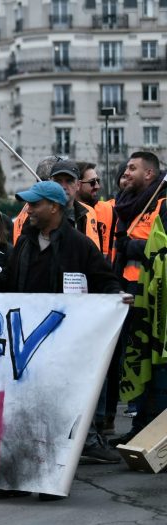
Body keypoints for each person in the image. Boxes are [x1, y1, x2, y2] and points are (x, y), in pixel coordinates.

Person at [0, 181, 131, 496]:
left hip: (61, 346)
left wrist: (116, 298)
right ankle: (15, 482)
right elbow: (8, 279)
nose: (27, 210)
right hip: (24, 344)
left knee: (54, 415)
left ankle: (47, 481)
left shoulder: (79, 245)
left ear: (54, 207)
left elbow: (104, 280)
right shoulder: (26, 244)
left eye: (34, 204)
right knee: (18, 412)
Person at [110, 151, 167, 444]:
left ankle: (155, 433)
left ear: (150, 174)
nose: (126, 172)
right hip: (129, 296)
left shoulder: (163, 203)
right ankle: (139, 427)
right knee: (136, 365)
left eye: (133, 168)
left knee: (156, 368)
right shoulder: (125, 206)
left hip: (155, 302)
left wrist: (136, 247)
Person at [13, 159, 100, 249]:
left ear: (78, 185)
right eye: (58, 181)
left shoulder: (88, 214)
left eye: (69, 181)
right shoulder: (35, 217)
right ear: (51, 183)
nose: (63, 186)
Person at [77, 162, 114, 261]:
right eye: (92, 182)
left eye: (98, 181)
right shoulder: (66, 213)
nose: (97, 186)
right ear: (77, 184)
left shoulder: (108, 209)